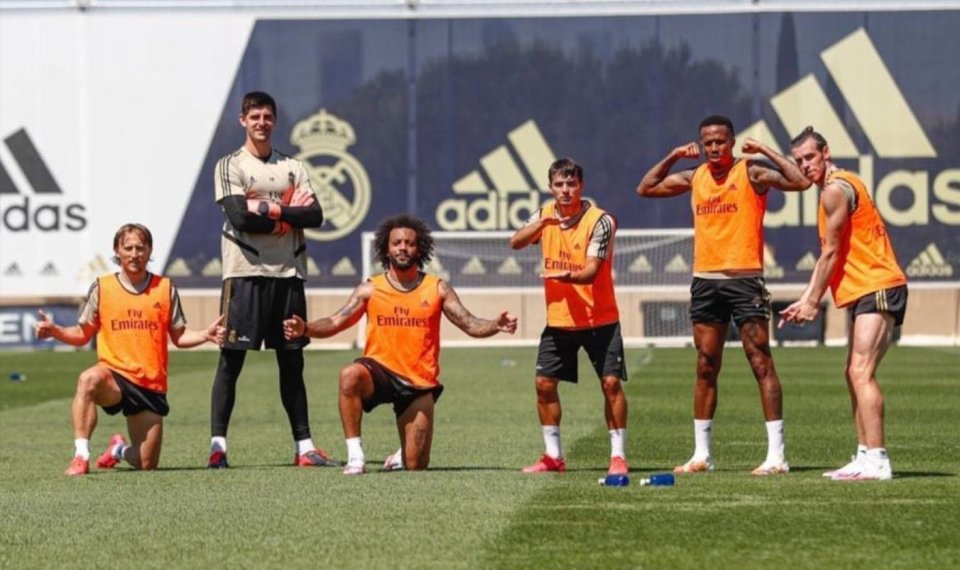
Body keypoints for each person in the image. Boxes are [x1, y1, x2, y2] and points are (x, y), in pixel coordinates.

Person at [637, 115, 810, 476]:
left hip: (745, 280)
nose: (713, 148)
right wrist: (672, 156)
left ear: (731, 142)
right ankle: (702, 455)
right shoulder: (695, 176)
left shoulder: (751, 172)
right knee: (705, 365)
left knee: (760, 361)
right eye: (707, 142)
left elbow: (801, 180)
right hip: (705, 281)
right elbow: (646, 187)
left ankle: (777, 456)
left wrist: (764, 150)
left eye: (719, 141)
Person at [282, 214, 517, 475]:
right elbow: (337, 320)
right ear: (386, 248)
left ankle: (400, 456)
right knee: (350, 375)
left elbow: (470, 324)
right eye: (396, 243)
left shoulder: (437, 288)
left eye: (409, 243)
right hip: (379, 372)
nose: (403, 247)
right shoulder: (371, 288)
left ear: (420, 249)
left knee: (416, 466)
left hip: (417, 383)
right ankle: (356, 456)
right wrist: (306, 328)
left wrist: (496, 324)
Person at [208, 90, 336, 469]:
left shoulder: (293, 167)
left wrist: (266, 207)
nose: (261, 123)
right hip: (245, 273)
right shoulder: (229, 165)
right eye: (254, 117)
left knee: (291, 361)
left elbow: (315, 216)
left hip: (288, 273)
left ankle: (304, 447)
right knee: (231, 361)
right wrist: (286, 212)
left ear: (274, 121)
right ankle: (218, 446)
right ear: (242, 121)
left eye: (267, 117)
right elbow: (240, 218)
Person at [35, 223, 225, 476]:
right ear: (117, 251)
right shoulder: (102, 288)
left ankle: (117, 451)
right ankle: (81, 456)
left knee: (146, 464)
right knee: (88, 380)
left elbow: (178, 337)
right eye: (128, 248)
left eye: (140, 248)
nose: (134, 254)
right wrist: (56, 331)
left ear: (149, 251)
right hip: (113, 376)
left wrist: (204, 335)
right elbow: (83, 334)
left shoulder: (165, 288)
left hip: (150, 384)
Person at [780, 126, 907, 481]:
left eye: (809, 157)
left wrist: (811, 301)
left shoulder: (834, 190)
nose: (805, 166)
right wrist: (806, 298)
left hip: (877, 284)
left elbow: (830, 253)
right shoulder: (838, 185)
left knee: (860, 372)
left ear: (825, 153)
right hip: (864, 288)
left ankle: (878, 459)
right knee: (852, 372)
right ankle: (865, 454)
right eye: (799, 161)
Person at [509, 157, 629, 476]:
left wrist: (566, 276)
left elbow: (590, 271)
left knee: (611, 383)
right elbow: (516, 242)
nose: (565, 190)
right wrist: (542, 224)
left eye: (571, 184)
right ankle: (553, 457)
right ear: (550, 187)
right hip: (559, 320)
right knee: (544, 384)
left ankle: (618, 456)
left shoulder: (600, 220)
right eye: (559, 185)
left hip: (599, 319)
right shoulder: (545, 215)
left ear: (581, 186)